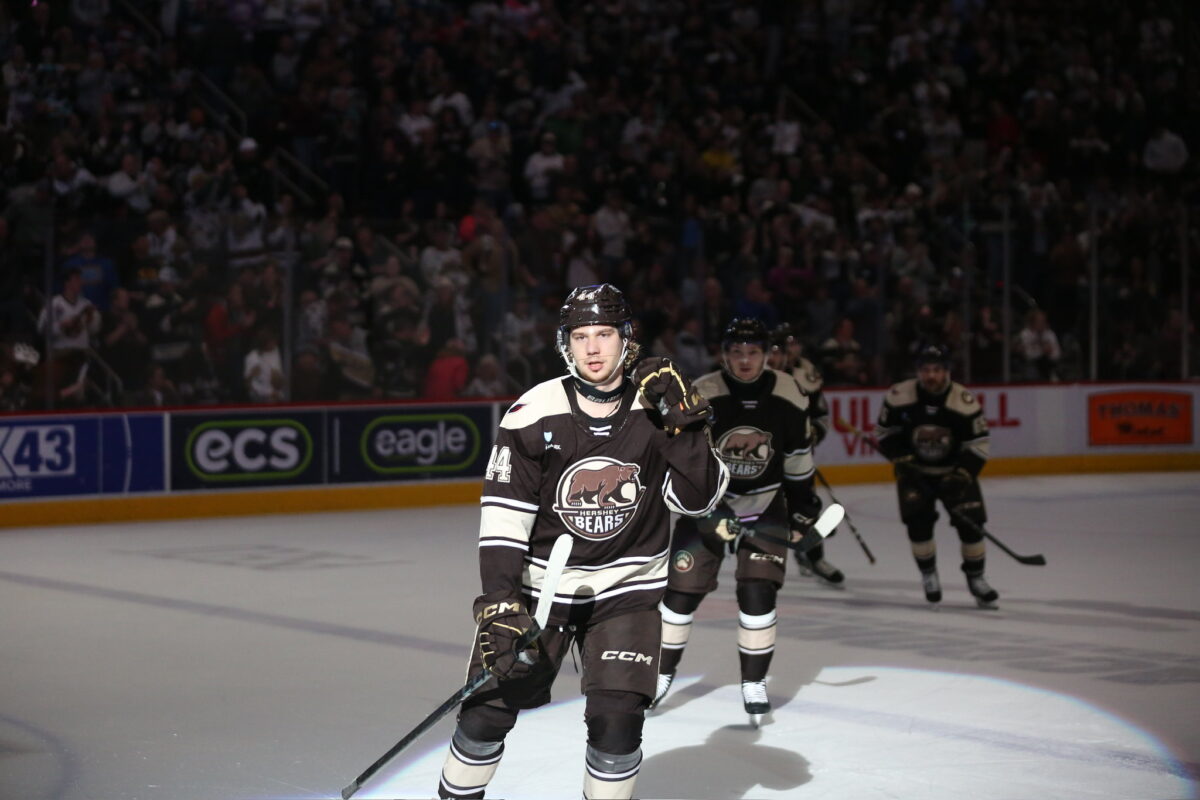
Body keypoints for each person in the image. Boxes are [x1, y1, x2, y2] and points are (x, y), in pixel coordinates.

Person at [436, 283, 729, 800]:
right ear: (565, 343)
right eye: (580, 336)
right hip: (540, 590)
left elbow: (699, 499)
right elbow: (503, 519)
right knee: (484, 717)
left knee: (618, 726)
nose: (592, 348)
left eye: (604, 334)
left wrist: (686, 426)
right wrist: (500, 601)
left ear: (626, 339)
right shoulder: (534, 411)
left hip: (626, 592)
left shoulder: (655, 409)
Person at [651, 318, 823, 721]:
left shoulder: (789, 392)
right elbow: (684, 462)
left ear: (767, 355)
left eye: (753, 352)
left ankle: (754, 682)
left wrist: (803, 508)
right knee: (680, 592)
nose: (745, 361)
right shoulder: (703, 392)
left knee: (758, 592)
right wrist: (710, 510)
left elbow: (797, 459)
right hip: (708, 502)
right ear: (724, 355)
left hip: (765, 504)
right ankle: (659, 674)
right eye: (736, 352)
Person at [875, 343, 998, 608]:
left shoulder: (963, 401)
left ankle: (976, 578)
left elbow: (978, 444)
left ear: (947, 371)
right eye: (926, 369)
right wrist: (901, 457)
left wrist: (963, 474)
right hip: (915, 474)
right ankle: (928, 574)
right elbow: (885, 433)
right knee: (918, 527)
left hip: (954, 472)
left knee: (972, 526)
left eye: (937, 370)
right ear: (918, 371)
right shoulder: (899, 395)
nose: (931, 375)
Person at [767, 323, 842, 585]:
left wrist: (810, 437)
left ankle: (814, 556)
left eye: (784, 349)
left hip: (795, 457)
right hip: (760, 461)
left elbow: (820, 416)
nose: (778, 356)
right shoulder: (753, 378)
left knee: (805, 505)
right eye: (774, 350)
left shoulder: (805, 375)